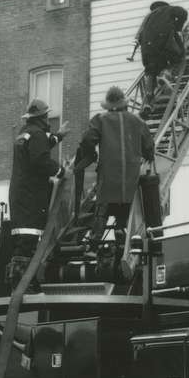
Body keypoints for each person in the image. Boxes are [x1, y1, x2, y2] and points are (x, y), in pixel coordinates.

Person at [78, 86, 154, 274]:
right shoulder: (137, 121)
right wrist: (144, 156)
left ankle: (94, 243)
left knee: (102, 209)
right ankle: (121, 236)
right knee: (124, 214)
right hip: (130, 178)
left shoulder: (100, 120)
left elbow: (87, 140)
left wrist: (90, 156)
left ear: (109, 105)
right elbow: (149, 147)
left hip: (108, 176)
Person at [7, 98, 69, 291]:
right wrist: (61, 172)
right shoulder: (38, 134)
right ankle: (22, 283)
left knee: (24, 240)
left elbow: (38, 147)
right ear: (42, 117)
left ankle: (21, 281)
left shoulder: (24, 133)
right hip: (31, 196)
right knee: (29, 240)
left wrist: (58, 137)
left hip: (20, 195)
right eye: (46, 117)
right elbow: (40, 159)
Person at [135, 0, 189, 113]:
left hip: (147, 50)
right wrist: (178, 27)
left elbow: (138, 37)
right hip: (164, 43)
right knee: (179, 58)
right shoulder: (168, 10)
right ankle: (166, 74)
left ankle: (148, 100)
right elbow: (183, 12)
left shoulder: (147, 19)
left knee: (151, 71)